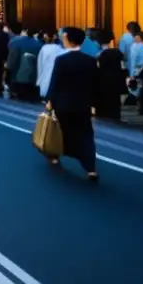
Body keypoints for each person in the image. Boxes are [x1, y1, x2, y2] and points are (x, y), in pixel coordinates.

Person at [45, 27, 100, 181]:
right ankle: (90, 168)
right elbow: (95, 84)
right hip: (83, 104)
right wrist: (94, 103)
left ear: (68, 39)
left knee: (58, 130)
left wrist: (50, 100)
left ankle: (54, 155)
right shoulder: (90, 61)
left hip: (63, 102)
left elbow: (55, 82)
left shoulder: (61, 60)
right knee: (85, 135)